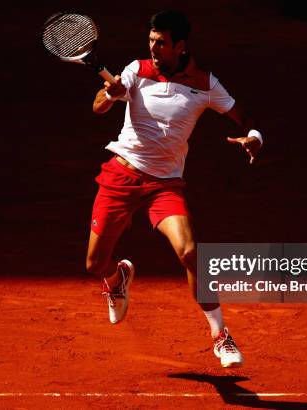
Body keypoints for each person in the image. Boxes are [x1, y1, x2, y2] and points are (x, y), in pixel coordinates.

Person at [86, 10, 263, 368]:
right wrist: (110, 91)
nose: (153, 47)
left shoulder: (205, 84)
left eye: (160, 42)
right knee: (94, 264)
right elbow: (98, 108)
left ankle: (220, 335)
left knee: (189, 251)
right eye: (150, 40)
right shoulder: (136, 71)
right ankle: (116, 278)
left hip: (164, 184)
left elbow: (244, 118)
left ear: (180, 46)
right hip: (122, 175)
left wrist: (254, 138)